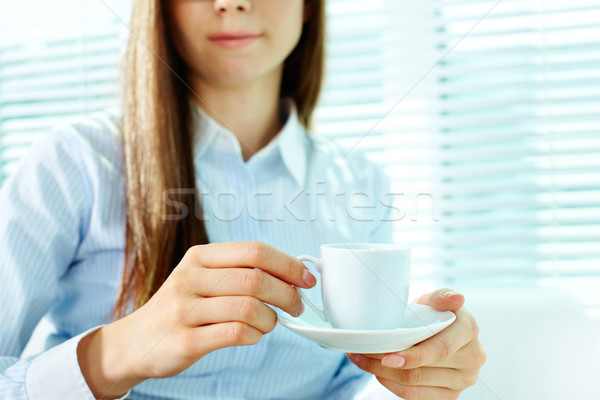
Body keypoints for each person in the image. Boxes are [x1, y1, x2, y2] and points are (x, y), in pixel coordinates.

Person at [0, 0, 486, 399]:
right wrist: (121, 352)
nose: (232, 3)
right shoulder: (73, 163)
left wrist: (417, 369)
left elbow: (350, 386)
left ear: (308, 8)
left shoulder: (363, 184)